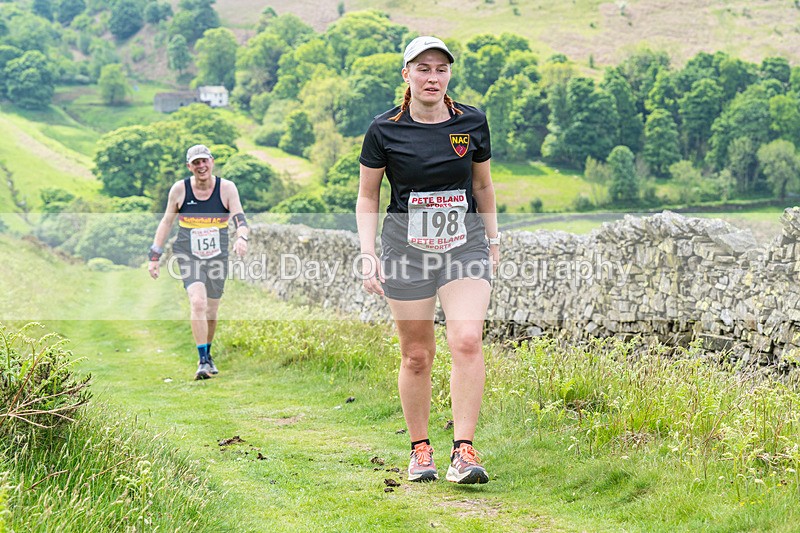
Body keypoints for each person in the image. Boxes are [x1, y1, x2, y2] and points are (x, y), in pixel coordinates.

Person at [356, 36, 500, 484]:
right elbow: (367, 195)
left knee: (467, 340)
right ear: (406, 75)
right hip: (405, 248)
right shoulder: (384, 129)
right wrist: (367, 254)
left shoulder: (472, 122)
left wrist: (494, 239)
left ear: (449, 75)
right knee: (417, 354)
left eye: (440, 69)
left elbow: (482, 187)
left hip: (464, 243)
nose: (432, 77)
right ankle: (421, 451)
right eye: (423, 69)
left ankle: (464, 451)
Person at [148, 144, 249, 380]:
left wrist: (242, 236)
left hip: (217, 255)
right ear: (189, 166)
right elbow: (166, 222)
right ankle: (202, 361)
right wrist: (155, 255)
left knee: (212, 310)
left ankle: (208, 354)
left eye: (204, 161)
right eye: (196, 163)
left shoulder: (226, 188)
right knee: (198, 303)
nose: (201, 166)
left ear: (212, 162)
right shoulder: (180, 190)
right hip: (188, 253)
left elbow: (239, 217)